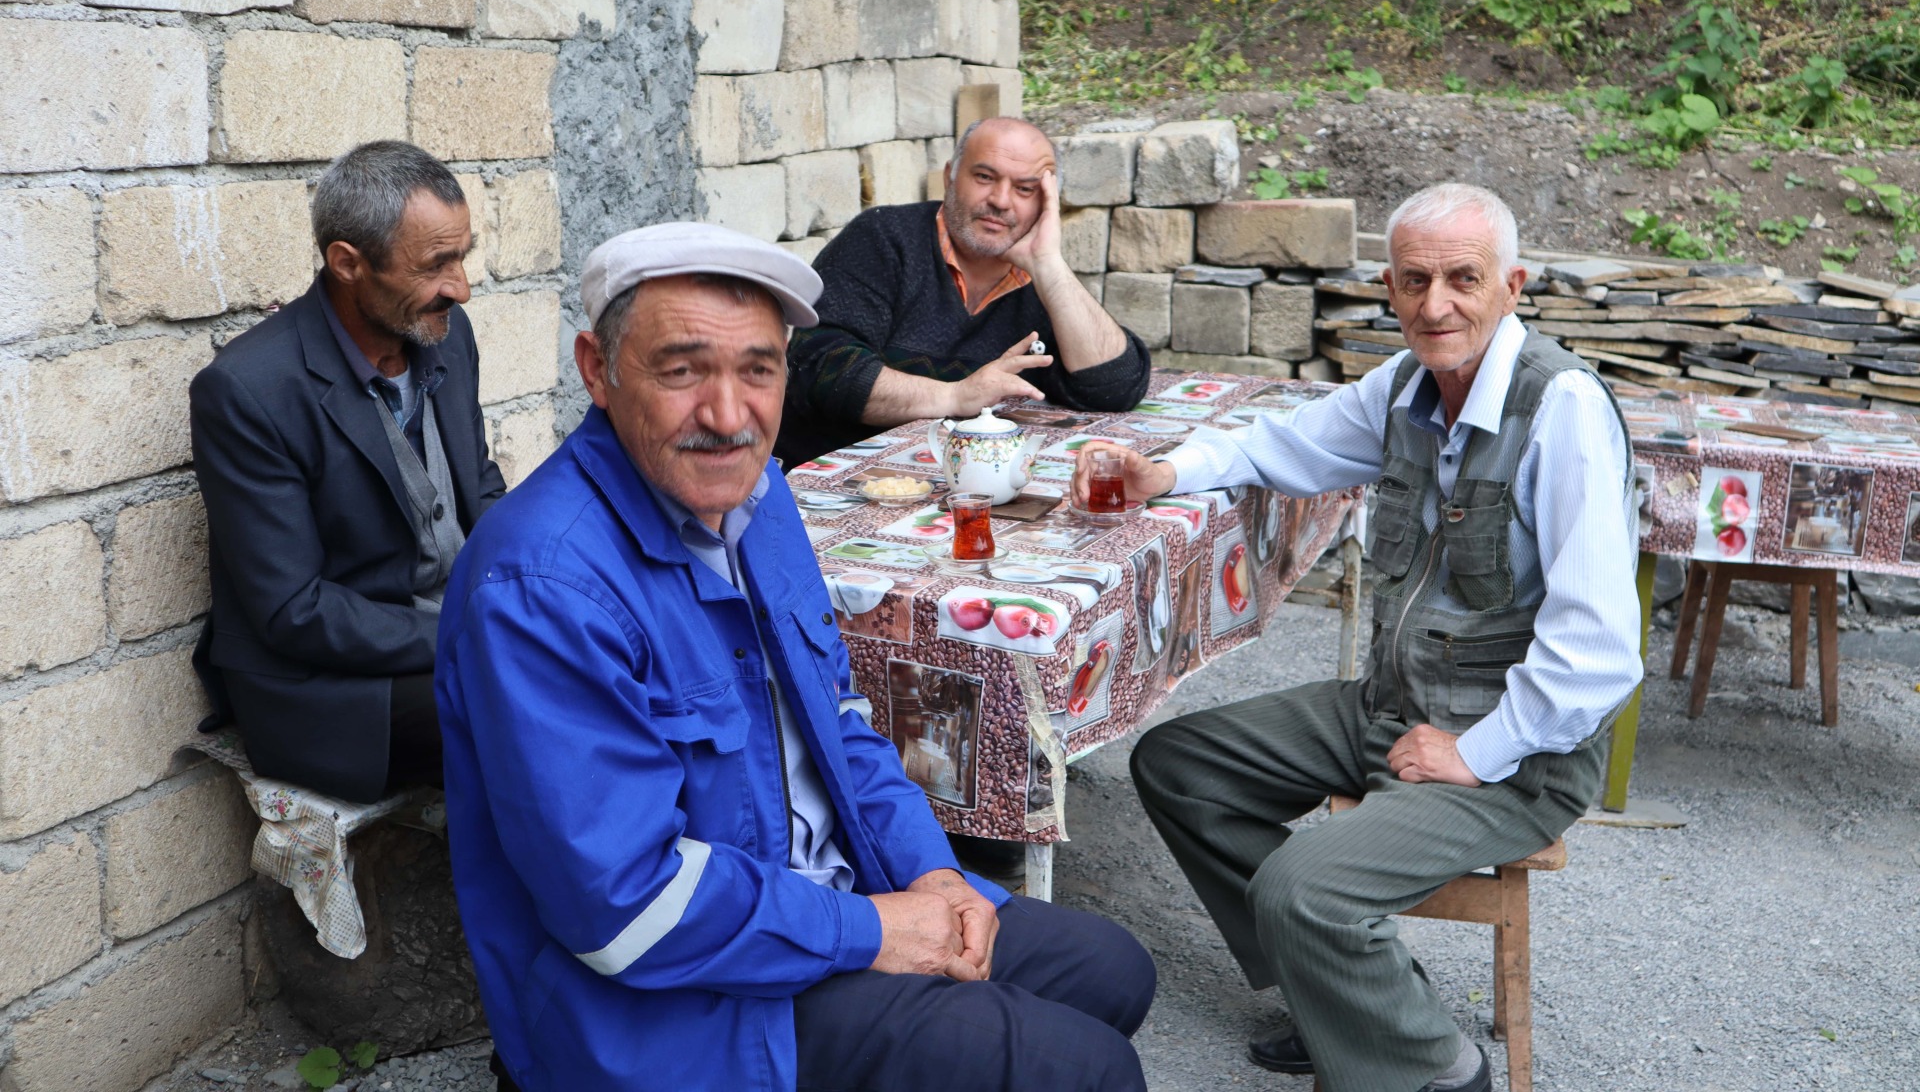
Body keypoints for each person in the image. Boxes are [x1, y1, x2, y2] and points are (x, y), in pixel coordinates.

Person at [436, 224, 1156, 1092]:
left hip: (819, 901)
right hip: (678, 1003)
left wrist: (932, 875)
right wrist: (879, 933)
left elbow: (842, 721)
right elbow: (625, 912)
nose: (729, 415)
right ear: (598, 370)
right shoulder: (542, 583)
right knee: (1086, 1070)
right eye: (681, 369)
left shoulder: (758, 494)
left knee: (1112, 971)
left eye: (759, 369)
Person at [1072, 183, 1641, 1092]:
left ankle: (1434, 1069)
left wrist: (1477, 750)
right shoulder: (1407, 384)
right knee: (1180, 766)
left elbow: (1601, 646)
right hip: (1396, 706)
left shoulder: (1561, 410)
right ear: (1389, 285)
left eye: (1464, 278)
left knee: (1303, 886)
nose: (1436, 303)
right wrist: (1166, 471)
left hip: (1517, 751)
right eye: (1415, 281)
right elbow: (1282, 445)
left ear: (1514, 286)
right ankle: (1342, 993)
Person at [187, 141, 503, 804]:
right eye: (436, 265)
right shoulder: (248, 390)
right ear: (347, 263)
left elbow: (477, 490)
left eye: (462, 258)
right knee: (533, 713)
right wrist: (467, 634)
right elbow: (293, 611)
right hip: (332, 690)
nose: (461, 287)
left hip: (455, 632)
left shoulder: (447, 330)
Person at [776, 116, 1152, 466]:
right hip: (833, 485)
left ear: (1046, 203)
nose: (1001, 201)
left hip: (969, 490)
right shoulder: (883, 239)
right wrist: (956, 396)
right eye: (985, 177)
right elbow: (820, 368)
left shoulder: (1043, 282)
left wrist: (1049, 265)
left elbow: (1113, 388)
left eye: (1025, 189)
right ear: (950, 177)